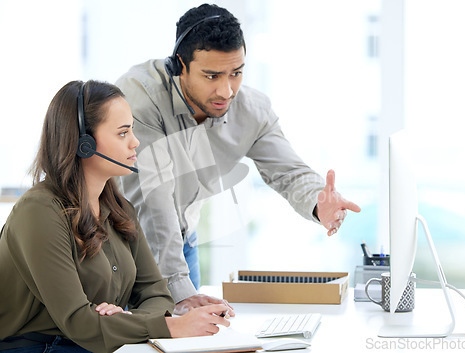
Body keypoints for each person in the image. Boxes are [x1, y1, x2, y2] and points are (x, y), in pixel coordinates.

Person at [116, 4, 361, 315]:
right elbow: (154, 200)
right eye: (212, 75)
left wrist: (317, 200)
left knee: (193, 342)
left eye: (236, 73)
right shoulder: (140, 98)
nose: (226, 90)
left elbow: (289, 171)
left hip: (181, 242)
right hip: (125, 247)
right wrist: (178, 287)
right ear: (180, 65)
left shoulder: (251, 110)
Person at [0, 80, 230, 353]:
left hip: (98, 344)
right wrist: (171, 327)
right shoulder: (38, 211)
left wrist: (127, 319)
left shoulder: (119, 208)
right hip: (38, 347)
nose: (135, 142)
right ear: (83, 144)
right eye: (122, 133)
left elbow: (157, 293)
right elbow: (79, 321)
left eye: (131, 130)